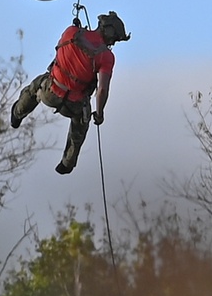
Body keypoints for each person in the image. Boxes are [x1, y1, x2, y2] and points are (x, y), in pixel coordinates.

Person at [11, 12, 130, 174]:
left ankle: (17, 113)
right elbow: (102, 89)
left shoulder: (71, 32)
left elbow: (59, 53)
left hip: (51, 93)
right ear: (110, 32)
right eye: (115, 38)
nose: (113, 43)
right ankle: (68, 162)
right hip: (75, 104)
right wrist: (100, 113)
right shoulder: (107, 57)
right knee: (81, 124)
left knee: (35, 87)